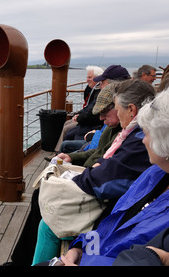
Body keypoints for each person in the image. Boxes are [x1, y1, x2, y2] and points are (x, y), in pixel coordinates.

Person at [32, 79, 156, 265]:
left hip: (108, 220)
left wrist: (87, 174)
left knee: (48, 223)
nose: (147, 140)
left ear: (131, 110)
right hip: (111, 217)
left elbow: (105, 182)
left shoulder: (138, 142)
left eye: (115, 107)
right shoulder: (137, 144)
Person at [59, 87, 169, 266]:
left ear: (165, 142)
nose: (143, 139)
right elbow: (111, 222)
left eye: (147, 133)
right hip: (91, 253)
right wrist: (79, 247)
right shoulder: (154, 174)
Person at [53, 66, 103, 152]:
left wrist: (79, 117)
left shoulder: (100, 93)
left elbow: (93, 114)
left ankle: (59, 152)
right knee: (67, 124)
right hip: (87, 119)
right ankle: (58, 151)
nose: (87, 80)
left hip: (91, 124)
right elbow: (89, 107)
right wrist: (78, 114)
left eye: (90, 77)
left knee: (67, 129)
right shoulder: (93, 90)